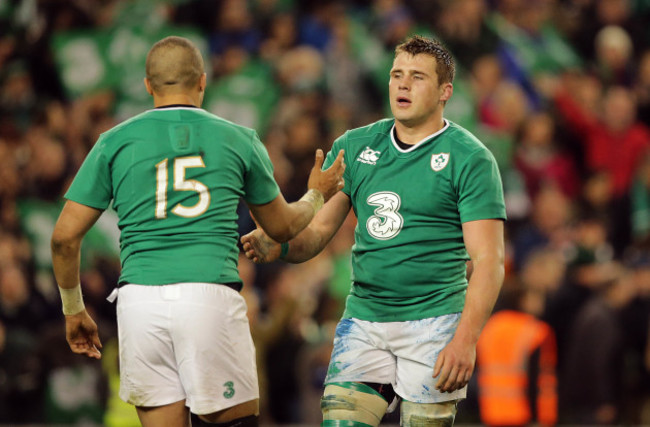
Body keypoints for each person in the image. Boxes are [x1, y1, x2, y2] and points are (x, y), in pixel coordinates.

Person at [50, 36, 345, 427]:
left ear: (147, 85)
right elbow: (283, 227)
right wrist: (316, 194)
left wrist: (74, 310)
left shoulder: (113, 142)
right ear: (202, 82)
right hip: (209, 296)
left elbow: (63, 238)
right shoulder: (239, 138)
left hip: (139, 303)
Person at [242, 35, 506, 426]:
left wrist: (465, 339)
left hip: (434, 321)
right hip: (365, 319)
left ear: (444, 91)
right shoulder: (354, 146)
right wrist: (278, 246)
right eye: (396, 74)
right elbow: (315, 235)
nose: (402, 84)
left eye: (417, 77)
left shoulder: (471, 158)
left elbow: (489, 260)